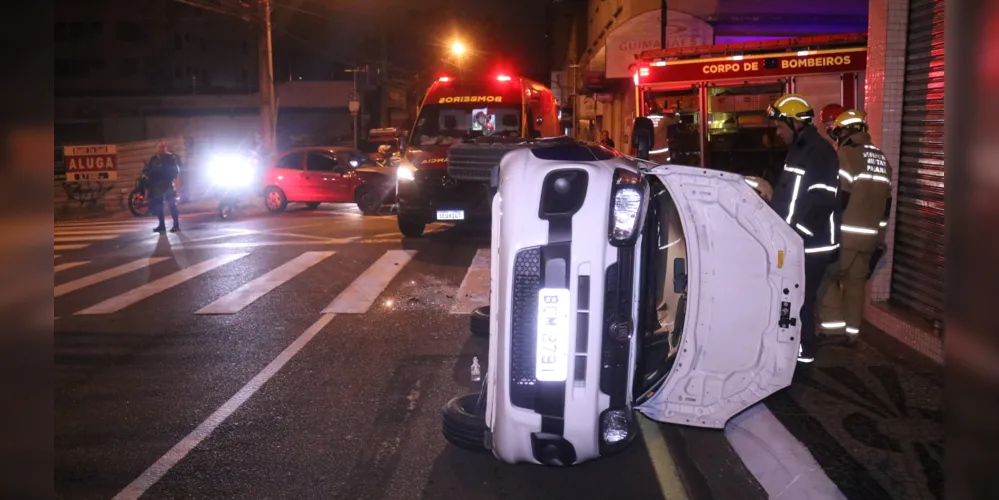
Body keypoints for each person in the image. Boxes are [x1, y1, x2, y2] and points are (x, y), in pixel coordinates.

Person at [766, 94, 842, 364]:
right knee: (794, 297)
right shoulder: (799, 150)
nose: (778, 131)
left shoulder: (819, 152)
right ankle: (794, 350)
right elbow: (791, 197)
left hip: (811, 245)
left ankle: (803, 354)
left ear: (795, 122)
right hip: (797, 242)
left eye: (780, 125)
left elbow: (822, 201)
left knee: (801, 300)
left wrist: (794, 235)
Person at [818, 109, 893, 346]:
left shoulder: (846, 155)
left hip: (846, 235)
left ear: (845, 131)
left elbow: (841, 198)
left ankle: (833, 330)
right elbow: (886, 206)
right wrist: (879, 237)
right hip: (870, 238)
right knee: (855, 285)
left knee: (824, 277)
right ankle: (852, 333)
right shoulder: (882, 160)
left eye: (837, 132)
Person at [143, 142, 182, 233]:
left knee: (172, 205)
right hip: (157, 186)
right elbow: (149, 170)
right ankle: (161, 225)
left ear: (165, 148)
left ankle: (176, 225)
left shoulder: (170, 158)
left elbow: (175, 171)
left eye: (162, 147)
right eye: (159, 147)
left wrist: (169, 178)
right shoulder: (154, 158)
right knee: (158, 206)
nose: (161, 149)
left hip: (168, 184)